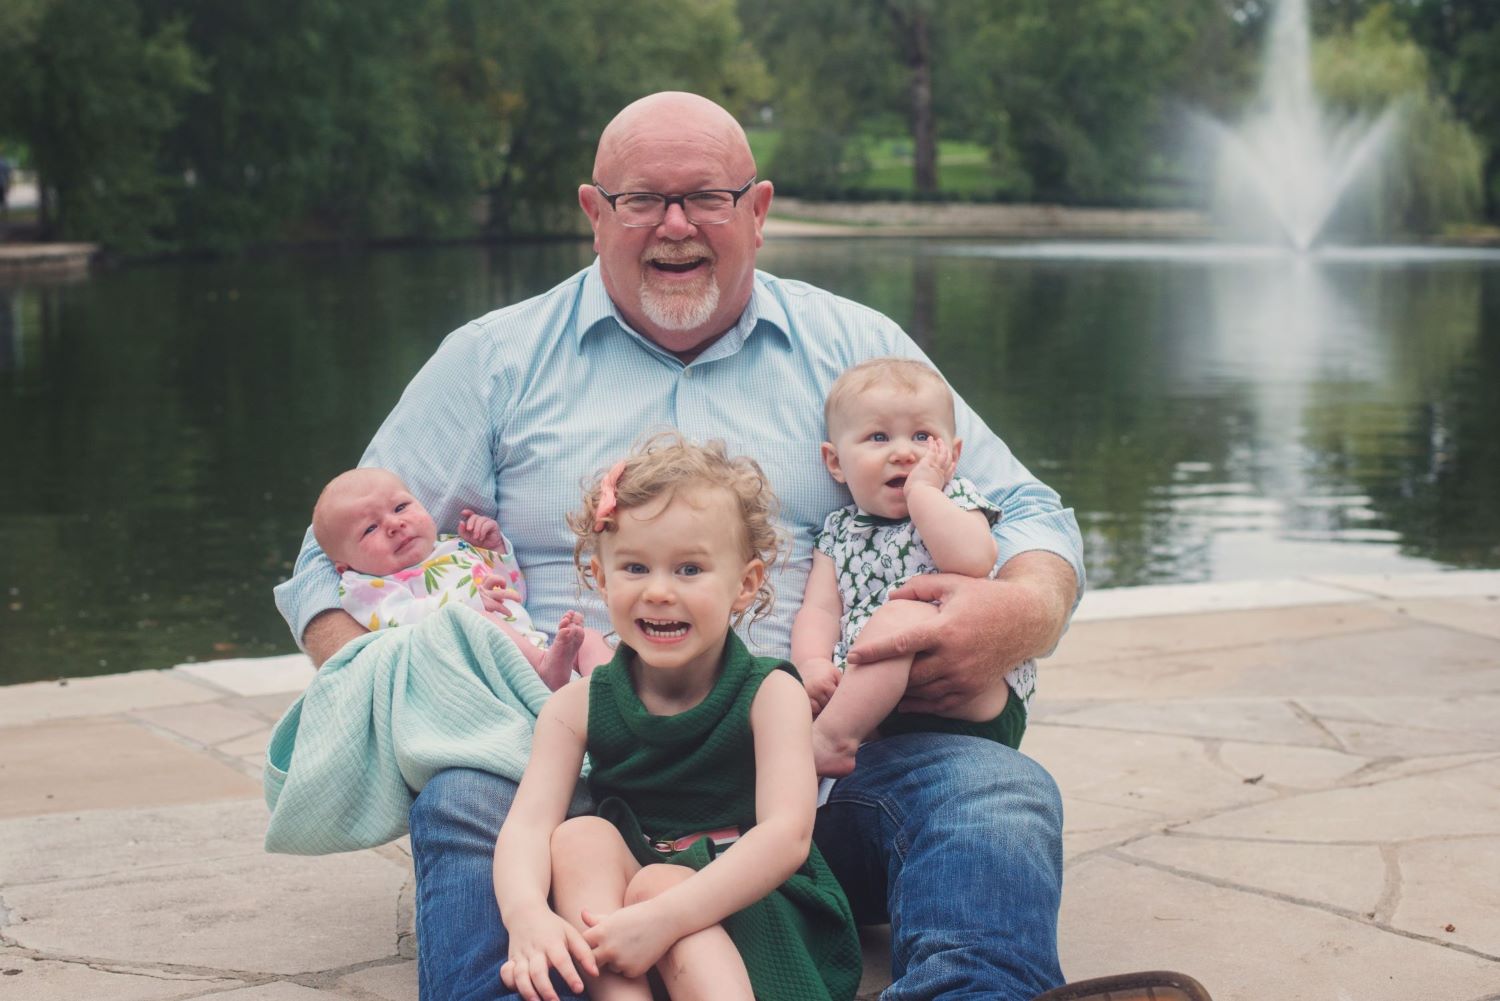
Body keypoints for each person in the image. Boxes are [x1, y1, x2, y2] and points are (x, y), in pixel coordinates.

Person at [275, 90, 1083, 1001]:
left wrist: (1020, 612)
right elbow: (327, 559)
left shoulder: (857, 349)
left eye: (706, 196)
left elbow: (1030, 512)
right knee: (462, 792)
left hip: (817, 780)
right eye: (640, 200)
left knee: (995, 792)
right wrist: (392, 686)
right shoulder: (493, 361)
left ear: (758, 210)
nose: (674, 225)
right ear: (593, 212)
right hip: (585, 780)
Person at [492, 434, 859, 1001]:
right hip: (632, 919)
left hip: (755, 901)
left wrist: (665, 915)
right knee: (578, 835)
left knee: (660, 882)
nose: (659, 592)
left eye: (689, 569)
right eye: (635, 567)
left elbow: (787, 837)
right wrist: (526, 918)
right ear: (601, 577)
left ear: (745, 584)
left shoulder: (770, 692)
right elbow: (528, 825)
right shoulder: (578, 704)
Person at [793, 357, 1029, 777]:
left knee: (902, 616)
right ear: (835, 462)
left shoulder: (956, 500)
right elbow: (821, 610)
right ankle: (847, 738)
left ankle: (828, 741)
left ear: (952, 455)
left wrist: (923, 493)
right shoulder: (838, 531)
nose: (903, 452)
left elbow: (974, 559)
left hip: (966, 699)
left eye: (922, 436)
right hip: (882, 717)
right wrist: (811, 663)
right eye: (878, 437)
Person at [312, 467, 611, 689]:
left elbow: (514, 596)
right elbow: (400, 621)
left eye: (401, 507)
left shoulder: (452, 547)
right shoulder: (365, 587)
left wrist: (494, 551)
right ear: (345, 566)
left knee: (590, 640)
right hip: (480, 669)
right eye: (369, 529)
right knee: (485, 620)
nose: (394, 524)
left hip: (535, 648)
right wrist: (471, 602)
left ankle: (614, 691)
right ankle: (546, 670)